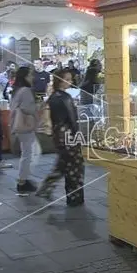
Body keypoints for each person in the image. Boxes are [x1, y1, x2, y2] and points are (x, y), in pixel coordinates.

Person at [36, 68, 85, 207]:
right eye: (67, 79)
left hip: (58, 134)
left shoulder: (52, 97)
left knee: (63, 163)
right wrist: (78, 136)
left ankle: (47, 186)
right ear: (60, 81)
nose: (70, 82)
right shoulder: (66, 98)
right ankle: (75, 196)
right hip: (69, 134)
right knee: (75, 165)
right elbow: (72, 119)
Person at [10, 67, 40, 195]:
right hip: (25, 126)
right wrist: (38, 106)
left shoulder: (17, 90)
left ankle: (24, 179)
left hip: (19, 126)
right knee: (28, 154)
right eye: (30, 75)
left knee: (28, 153)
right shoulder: (26, 91)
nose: (32, 77)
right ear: (25, 77)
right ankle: (22, 182)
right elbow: (28, 109)